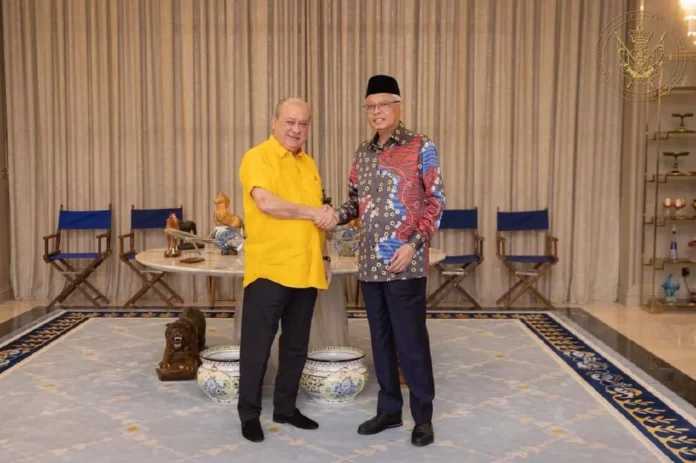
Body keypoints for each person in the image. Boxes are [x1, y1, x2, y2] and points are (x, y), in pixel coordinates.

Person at [330, 75, 446, 446]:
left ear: (399, 107)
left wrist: (413, 245)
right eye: (370, 106)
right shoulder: (362, 153)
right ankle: (389, 411)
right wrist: (331, 215)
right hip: (369, 266)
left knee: (411, 343)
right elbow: (354, 203)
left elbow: (436, 202)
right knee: (380, 341)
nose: (377, 111)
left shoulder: (420, 145)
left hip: (404, 264)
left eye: (384, 105)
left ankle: (423, 418)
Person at [237, 97, 336, 443]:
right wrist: (314, 212)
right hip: (270, 268)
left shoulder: (309, 164)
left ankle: (285, 407)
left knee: (296, 345)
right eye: (290, 122)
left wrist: (325, 256)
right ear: (274, 121)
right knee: (257, 346)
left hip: (306, 268)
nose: (296, 129)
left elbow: (317, 218)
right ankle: (249, 414)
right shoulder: (257, 157)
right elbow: (266, 203)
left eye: (303, 124)